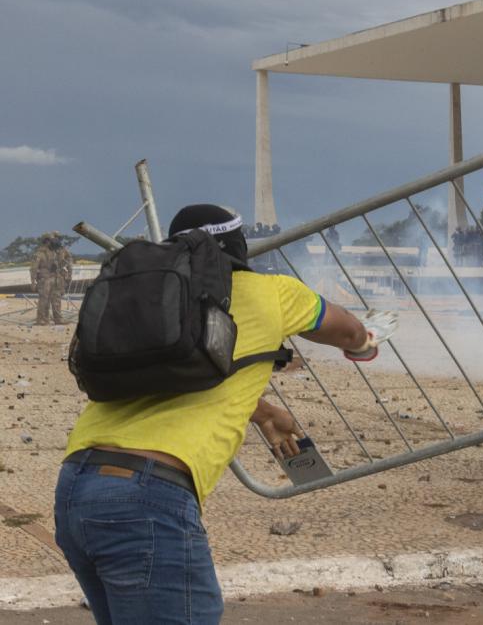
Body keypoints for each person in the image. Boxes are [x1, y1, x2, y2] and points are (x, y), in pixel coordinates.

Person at [55, 204, 392, 624]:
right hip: (147, 499)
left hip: (76, 486)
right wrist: (365, 344)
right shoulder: (273, 292)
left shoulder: (163, 309)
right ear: (238, 248)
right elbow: (348, 329)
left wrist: (264, 413)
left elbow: (187, 380)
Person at [30, 232, 73, 325]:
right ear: (47, 241)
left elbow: (67, 261)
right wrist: (33, 282)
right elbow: (33, 269)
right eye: (52, 240)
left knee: (56, 300)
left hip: (57, 279)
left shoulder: (57, 251)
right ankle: (42, 320)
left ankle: (58, 319)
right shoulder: (40, 253)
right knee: (44, 300)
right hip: (44, 280)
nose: (55, 241)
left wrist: (68, 274)